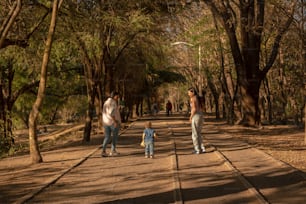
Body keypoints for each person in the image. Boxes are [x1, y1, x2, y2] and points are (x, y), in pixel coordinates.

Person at [101, 91, 121, 157]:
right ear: (114, 96)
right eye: (117, 96)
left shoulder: (106, 102)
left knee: (107, 137)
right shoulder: (113, 103)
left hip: (105, 122)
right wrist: (115, 121)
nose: (118, 98)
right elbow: (111, 113)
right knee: (114, 137)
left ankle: (103, 151)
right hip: (112, 122)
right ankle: (112, 150)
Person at [187, 87, 205, 154]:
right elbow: (202, 107)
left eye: (189, 92)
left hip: (196, 116)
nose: (188, 94)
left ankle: (197, 149)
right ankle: (201, 148)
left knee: (194, 134)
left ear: (193, 92)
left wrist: (191, 117)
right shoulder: (198, 98)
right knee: (199, 133)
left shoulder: (193, 98)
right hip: (201, 115)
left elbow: (194, 109)